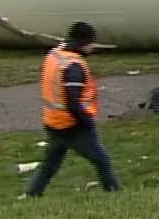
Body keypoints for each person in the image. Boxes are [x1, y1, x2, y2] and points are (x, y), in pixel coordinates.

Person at [24, 21, 122, 196]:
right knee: (102, 160)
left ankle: (32, 194)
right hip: (72, 125)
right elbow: (72, 101)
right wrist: (87, 121)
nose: (93, 47)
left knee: (50, 164)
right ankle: (115, 193)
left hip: (53, 121)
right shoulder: (74, 67)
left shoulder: (55, 54)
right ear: (84, 42)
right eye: (92, 43)